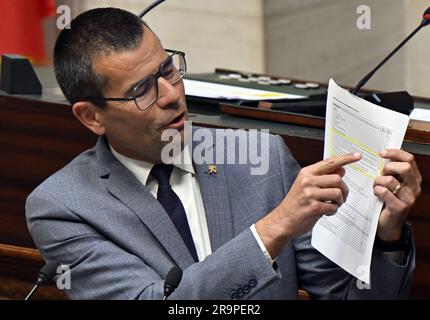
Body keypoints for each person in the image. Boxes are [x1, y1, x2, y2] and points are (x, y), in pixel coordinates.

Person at [25, 7, 421, 300]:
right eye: (141, 90)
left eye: (167, 70)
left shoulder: (260, 159)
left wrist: (386, 235)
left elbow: (348, 297)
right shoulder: (63, 206)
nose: (171, 95)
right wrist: (274, 227)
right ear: (91, 116)